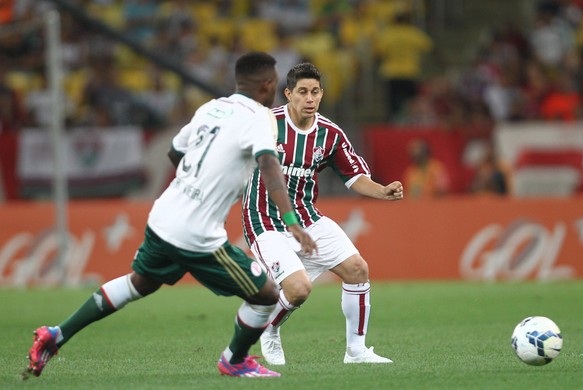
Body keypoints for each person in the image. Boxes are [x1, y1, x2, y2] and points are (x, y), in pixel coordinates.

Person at [23, 52, 317, 379]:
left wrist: (197, 184)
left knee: (140, 283)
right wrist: (291, 221)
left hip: (164, 216)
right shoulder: (260, 118)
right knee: (266, 295)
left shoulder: (212, 107)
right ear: (267, 84)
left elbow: (175, 150)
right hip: (197, 235)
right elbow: (269, 166)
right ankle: (234, 360)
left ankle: (55, 334)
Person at [242, 62, 403, 365]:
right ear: (288, 94)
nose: (309, 98)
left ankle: (356, 351)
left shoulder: (329, 133)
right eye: (302, 92)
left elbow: (354, 176)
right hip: (265, 221)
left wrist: (382, 191)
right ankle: (268, 328)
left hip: (308, 218)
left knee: (358, 269)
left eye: (315, 92)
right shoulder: (265, 124)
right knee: (299, 289)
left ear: (322, 94)